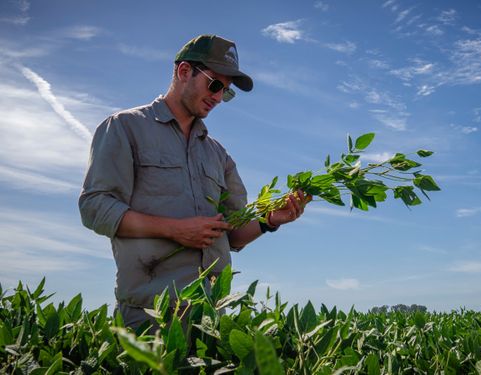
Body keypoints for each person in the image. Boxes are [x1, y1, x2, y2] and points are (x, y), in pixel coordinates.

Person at [79, 34, 309, 329]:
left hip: (211, 320)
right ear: (184, 71)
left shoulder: (219, 155)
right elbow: (94, 207)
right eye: (214, 84)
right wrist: (174, 230)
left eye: (226, 92)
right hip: (149, 318)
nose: (217, 97)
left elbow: (232, 234)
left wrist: (269, 221)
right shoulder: (125, 127)